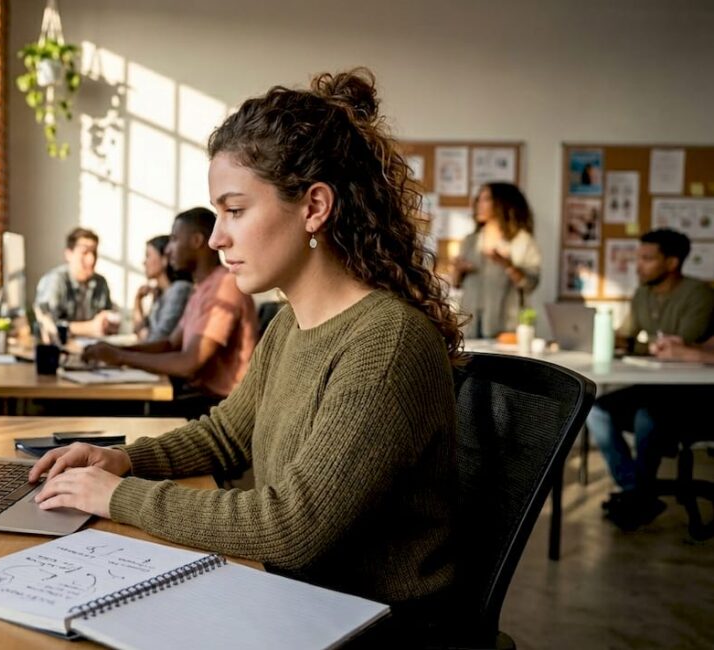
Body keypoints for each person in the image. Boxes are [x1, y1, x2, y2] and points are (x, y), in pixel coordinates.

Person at [32, 68, 463, 640]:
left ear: (314, 207)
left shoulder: (387, 343)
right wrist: (125, 461)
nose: (216, 238)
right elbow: (225, 436)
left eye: (234, 210)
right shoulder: (289, 324)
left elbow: (293, 527)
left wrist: (120, 496)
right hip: (292, 593)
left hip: (372, 624)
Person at [586, 228, 714, 530]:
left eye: (647, 258)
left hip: (692, 394)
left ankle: (639, 496)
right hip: (654, 387)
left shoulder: (699, 294)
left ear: (672, 262)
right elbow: (630, 337)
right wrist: (605, 337)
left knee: (647, 416)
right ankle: (635, 490)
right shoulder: (642, 294)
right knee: (595, 409)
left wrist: (646, 345)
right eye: (638, 258)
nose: (638, 265)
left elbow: (681, 344)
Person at [83, 208, 258, 416]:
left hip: (220, 406)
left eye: (174, 239)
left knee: (108, 409)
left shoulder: (224, 287)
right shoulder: (202, 287)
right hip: (198, 396)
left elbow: (188, 363)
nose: (167, 250)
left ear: (196, 241)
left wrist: (120, 357)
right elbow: (170, 344)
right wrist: (116, 350)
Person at [451, 182, 541, 338]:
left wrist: (508, 265)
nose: (479, 204)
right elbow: (456, 284)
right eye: (478, 199)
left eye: (486, 199)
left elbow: (531, 284)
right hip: (470, 325)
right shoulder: (470, 241)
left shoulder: (522, 241)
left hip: (505, 326)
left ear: (502, 203)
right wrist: (458, 271)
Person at [34, 227, 119, 338]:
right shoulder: (55, 280)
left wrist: (109, 324)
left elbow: (108, 322)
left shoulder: (101, 282)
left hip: (93, 346)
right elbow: (47, 326)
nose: (91, 259)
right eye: (85, 252)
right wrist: (89, 327)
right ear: (68, 254)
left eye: (94, 253)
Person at [132, 235, 193, 343]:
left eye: (148, 256)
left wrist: (142, 333)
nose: (144, 262)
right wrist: (138, 300)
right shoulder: (160, 293)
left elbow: (155, 339)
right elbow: (139, 330)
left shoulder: (179, 290)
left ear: (164, 259)